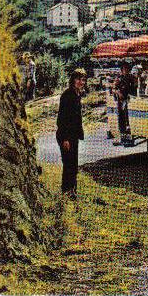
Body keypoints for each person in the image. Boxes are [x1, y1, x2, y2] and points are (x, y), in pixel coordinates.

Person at [56, 68, 87, 198]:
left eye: (83, 79)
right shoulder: (67, 95)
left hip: (73, 134)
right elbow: (62, 119)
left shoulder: (76, 94)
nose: (81, 82)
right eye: (79, 79)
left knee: (73, 164)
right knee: (68, 164)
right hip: (66, 135)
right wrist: (65, 139)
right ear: (73, 80)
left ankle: (72, 191)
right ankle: (67, 191)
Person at [114, 62, 136, 146]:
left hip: (131, 99)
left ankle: (129, 138)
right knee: (122, 119)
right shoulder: (119, 78)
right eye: (124, 69)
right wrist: (118, 92)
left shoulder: (132, 77)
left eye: (127, 69)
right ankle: (123, 138)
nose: (126, 70)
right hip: (122, 100)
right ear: (122, 70)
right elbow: (115, 89)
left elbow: (135, 87)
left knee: (129, 120)